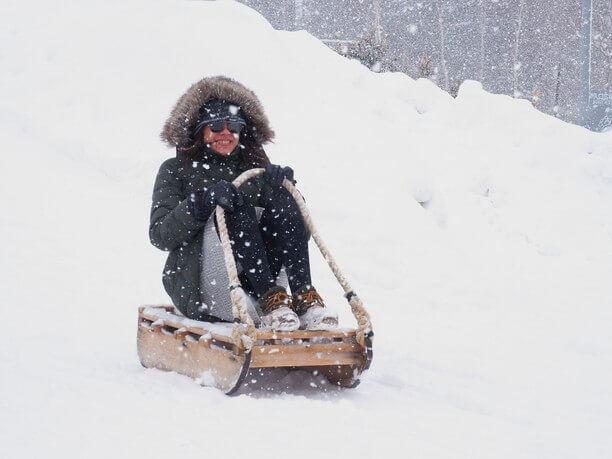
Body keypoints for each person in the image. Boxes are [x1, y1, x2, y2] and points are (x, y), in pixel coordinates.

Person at [150, 76, 337, 332]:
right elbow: (160, 235)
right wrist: (200, 203)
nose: (225, 133)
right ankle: (269, 300)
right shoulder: (175, 170)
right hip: (202, 284)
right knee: (232, 206)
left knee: (282, 200)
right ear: (199, 129)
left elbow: (297, 235)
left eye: (233, 126)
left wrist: (288, 194)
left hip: (255, 278)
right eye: (216, 126)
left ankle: (302, 297)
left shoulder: (254, 167)